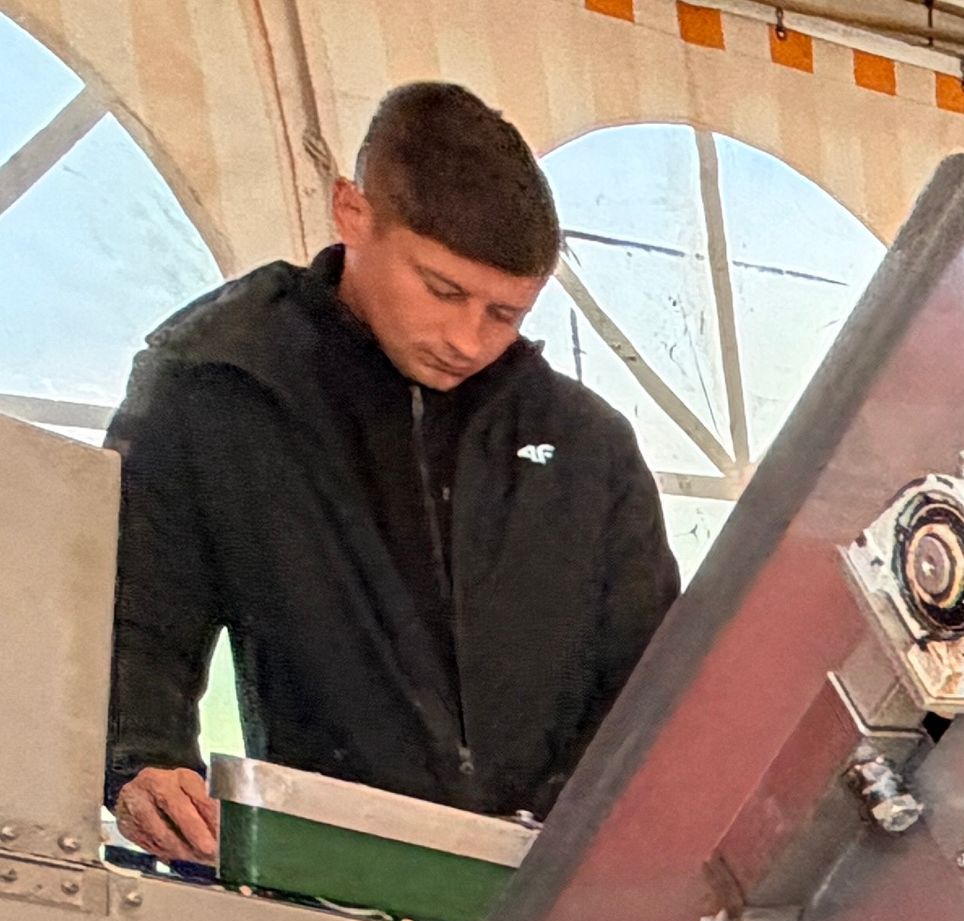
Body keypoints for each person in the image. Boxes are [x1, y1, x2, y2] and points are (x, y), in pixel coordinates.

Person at [102, 83, 677, 862]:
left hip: (548, 896)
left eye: (505, 314)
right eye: (442, 290)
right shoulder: (219, 387)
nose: (468, 339)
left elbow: (655, 684)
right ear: (353, 213)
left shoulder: (588, 448)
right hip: (318, 877)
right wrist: (139, 757)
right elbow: (135, 613)